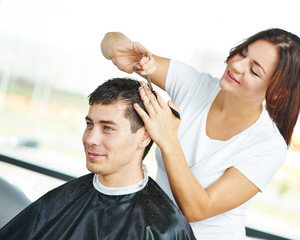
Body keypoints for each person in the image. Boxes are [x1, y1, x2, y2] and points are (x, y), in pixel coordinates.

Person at [100, 28, 300, 239]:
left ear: (276, 91)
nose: (236, 66)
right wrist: (121, 49)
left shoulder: (269, 145)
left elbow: (197, 209)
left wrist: (168, 138)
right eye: (243, 53)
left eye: (255, 71)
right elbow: (110, 41)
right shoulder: (194, 85)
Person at [0, 78, 196, 240]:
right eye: (89, 124)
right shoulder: (55, 204)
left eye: (108, 128)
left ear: (144, 136)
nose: (90, 139)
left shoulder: (165, 230)